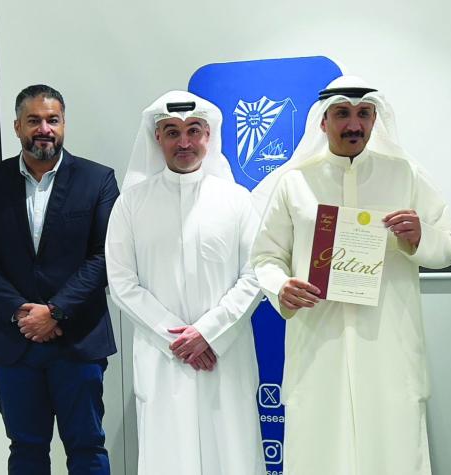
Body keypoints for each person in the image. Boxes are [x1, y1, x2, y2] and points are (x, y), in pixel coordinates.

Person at [251, 76, 451, 475]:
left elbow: (449, 244)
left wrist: (420, 237)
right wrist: (281, 287)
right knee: (319, 454)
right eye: (342, 114)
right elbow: (266, 256)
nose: (354, 125)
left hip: (388, 346)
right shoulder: (295, 183)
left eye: (364, 114)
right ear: (323, 121)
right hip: (318, 346)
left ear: (376, 119)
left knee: (393, 453)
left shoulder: (406, 175)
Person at [0, 84, 119, 475]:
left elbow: (105, 255)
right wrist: (20, 311)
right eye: (33, 120)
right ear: (17, 126)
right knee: (26, 451)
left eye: (53, 120)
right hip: (16, 342)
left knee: (87, 447)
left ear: (64, 124)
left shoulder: (97, 179)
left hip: (78, 340)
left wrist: (55, 311)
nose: (44, 129)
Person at [106, 91, 265, 475]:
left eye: (194, 130)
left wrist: (208, 332)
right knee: (168, 456)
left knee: (231, 454)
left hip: (225, 354)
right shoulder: (131, 203)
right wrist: (176, 338)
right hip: (163, 358)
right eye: (173, 132)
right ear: (157, 137)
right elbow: (122, 281)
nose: (184, 142)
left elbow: (256, 273)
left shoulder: (237, 200)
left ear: (208, 136)